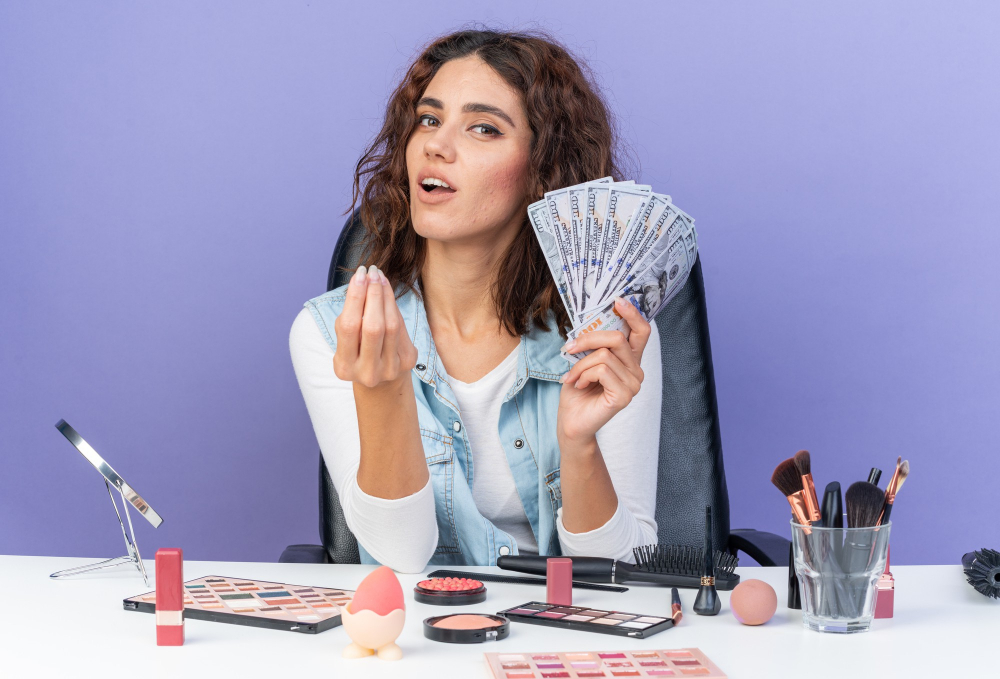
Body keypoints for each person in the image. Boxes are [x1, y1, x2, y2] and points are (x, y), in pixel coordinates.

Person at [289, 28, 662, 573]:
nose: (436, 146)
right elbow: (400, 555)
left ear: (542, 170)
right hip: (420, 621)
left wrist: (579, 445)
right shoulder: (332, 331)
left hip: (562, 621)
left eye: (484, 128)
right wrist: (383, 393)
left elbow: (624, 570)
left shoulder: (608, 337)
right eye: (429, 119)